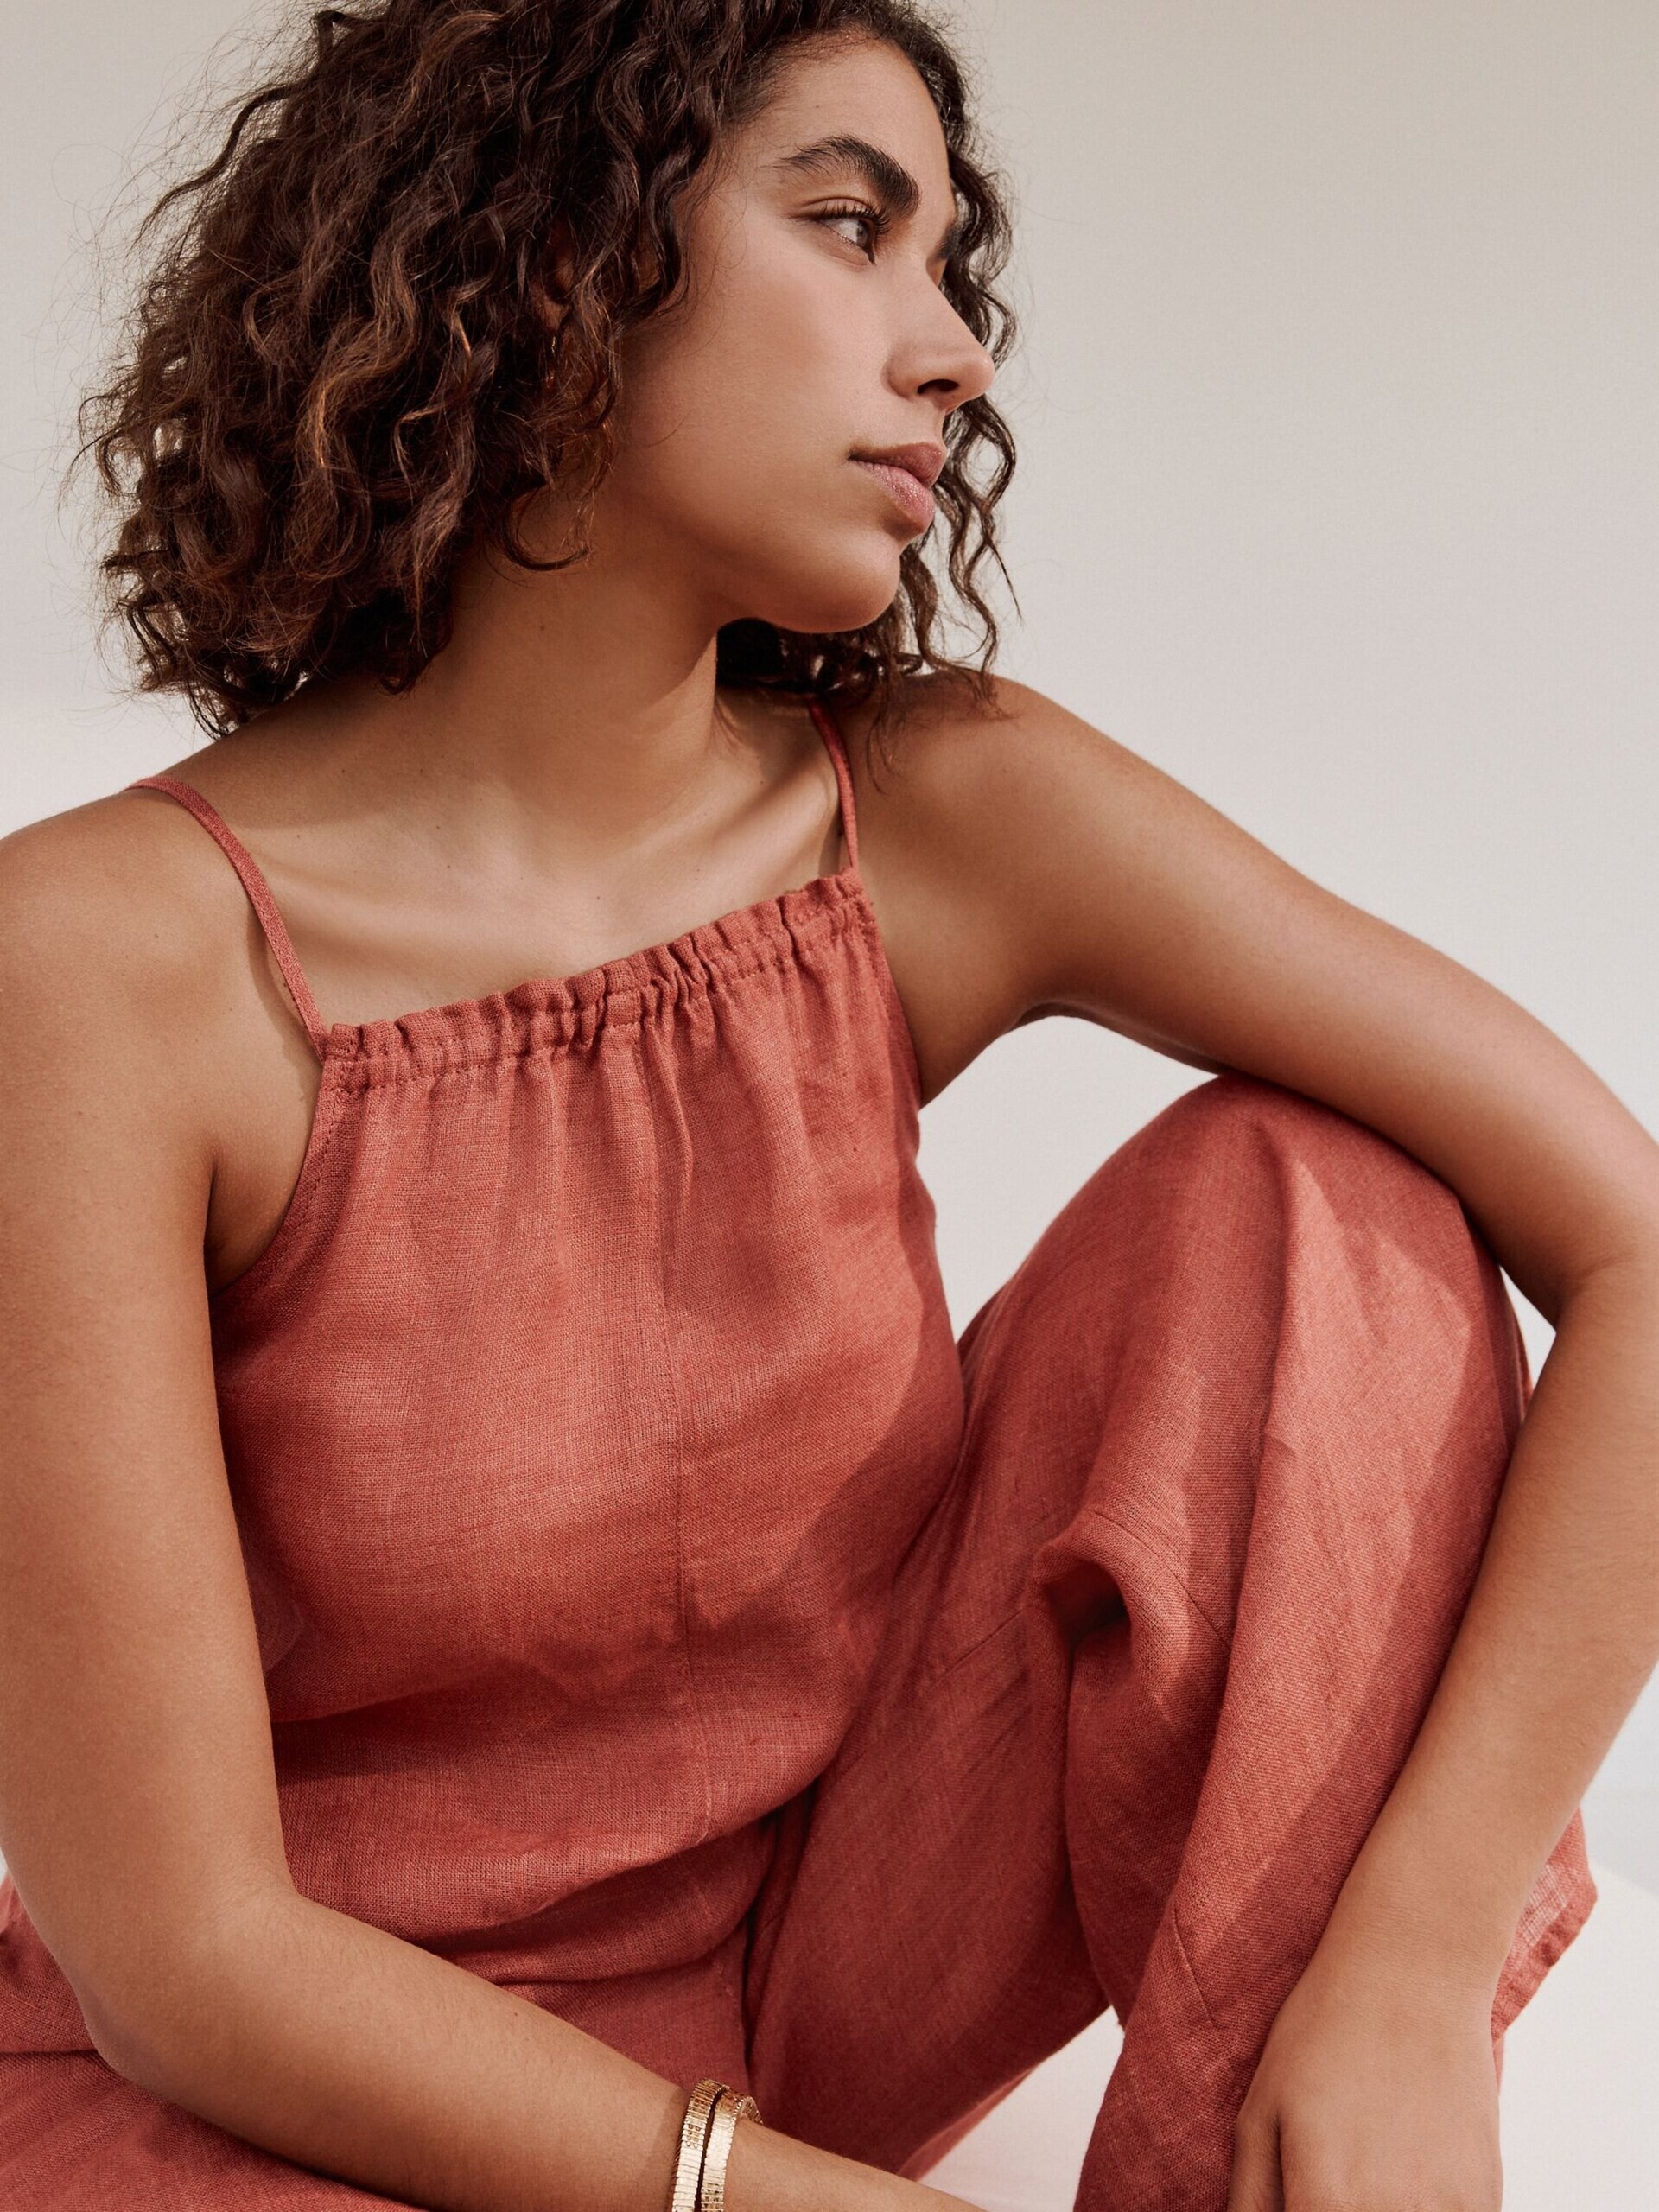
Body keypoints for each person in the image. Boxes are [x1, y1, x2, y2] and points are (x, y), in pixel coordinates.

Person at [0, 3, 1652, 2208]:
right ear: (555, 252)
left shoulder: (936, 819)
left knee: (1311, 1203)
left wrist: (1412, 1970)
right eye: (852, 225)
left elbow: (1639, 1245)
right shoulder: (100, 965)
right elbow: (184, 1961)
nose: (954, 350)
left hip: (813, 1982)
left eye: (949, 262)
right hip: (287, 2099)